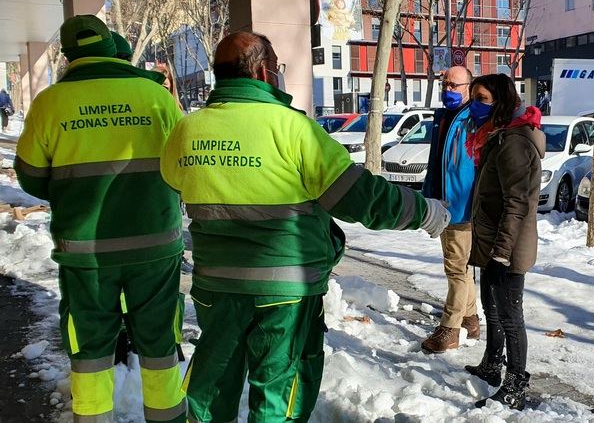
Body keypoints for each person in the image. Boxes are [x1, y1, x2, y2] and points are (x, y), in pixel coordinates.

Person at [160, 31, 450, 422]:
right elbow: (358, 196)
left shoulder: (187, 130)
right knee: (281, 388)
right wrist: (424, 212)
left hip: (216, 284)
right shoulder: (292, 129)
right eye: (277, 66)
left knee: (212, 382)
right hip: (286, 289)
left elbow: (175, 181)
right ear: (265, 72)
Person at [14, 15, 187, 422]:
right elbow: (183, 166)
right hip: (154, 247)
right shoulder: (155, 97)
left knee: (90, 349)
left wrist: (72, 192)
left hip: (85, 251)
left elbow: (32, 177)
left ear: (69, 55)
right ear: (110, 47)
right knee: (160, 343)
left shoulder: (49, 103)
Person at [463, 74, 545, 410]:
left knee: (511, 316)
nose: (474, 105)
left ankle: (516, 385)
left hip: (507, 248)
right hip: (492, 242)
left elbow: (517, 204)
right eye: (473, 97)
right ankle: (491, 364)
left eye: (481, 98)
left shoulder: (513, 142)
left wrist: (500, 257)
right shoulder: (496, 136)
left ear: (501, 101)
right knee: (491, 309)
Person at [420, 66, 480, 352]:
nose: (448, 90)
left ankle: (450, 329)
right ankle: (470, 320)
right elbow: (437, 163)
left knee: (456, 269)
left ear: (469, 86)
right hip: (443, 203)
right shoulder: (444, 116)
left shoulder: (474, 118)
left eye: (455, 85)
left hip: (461, 207)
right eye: (445, 83)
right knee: (461, 267)